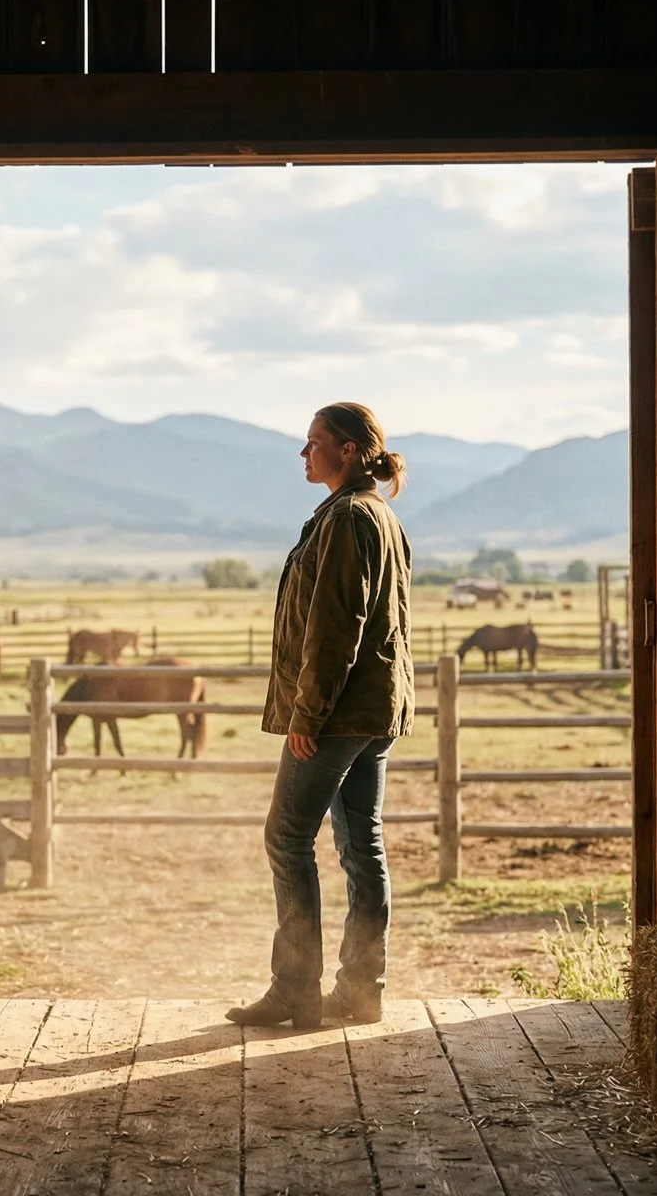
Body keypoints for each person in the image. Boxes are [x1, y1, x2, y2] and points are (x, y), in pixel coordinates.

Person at [227, 402, 414, 1029]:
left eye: (314, 443)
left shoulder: (346, 519)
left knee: (286, 836)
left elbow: (337, 628)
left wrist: (307, 714)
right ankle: (361, 992)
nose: (304, 454)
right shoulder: (380, 516)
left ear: (350, 451)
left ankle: (295, 990)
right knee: (362, 847)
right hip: (373, 711)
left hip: (336, 715)